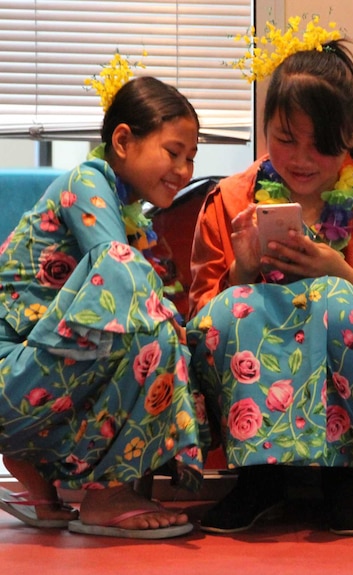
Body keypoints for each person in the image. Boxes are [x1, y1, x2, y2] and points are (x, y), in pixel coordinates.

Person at [185, 17, 353, 536]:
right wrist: (242, 271)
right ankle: (258, 478)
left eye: (322, 143)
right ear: (266, 129)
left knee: (336, 300)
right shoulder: (229, 200)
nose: (302, 159)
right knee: (235, 305)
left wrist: (345, 275)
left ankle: (342, 476)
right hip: (243, 406)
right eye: (286, 140)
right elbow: (198, 322)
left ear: (352, 132)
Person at [0, 75, 208, 539]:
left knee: (159, 317)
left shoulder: (125, 206)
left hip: (21, 375)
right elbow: (120, 275)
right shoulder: (86, 180)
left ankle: (32, 467)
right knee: (145, 314)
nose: (184, 169)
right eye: (173, 152)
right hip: (9, 374)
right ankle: (107, 494)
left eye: (192, 158)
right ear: (122, 141)